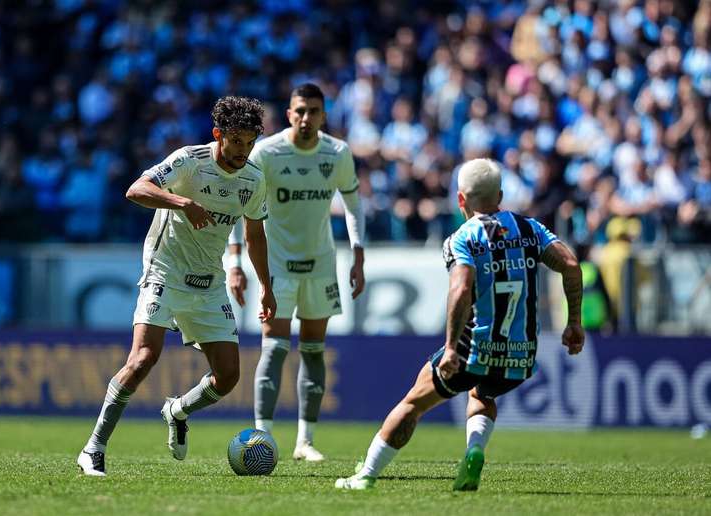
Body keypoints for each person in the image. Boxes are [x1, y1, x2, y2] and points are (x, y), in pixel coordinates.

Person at [335, 158, 584, 490]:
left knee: (413, 403)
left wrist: (451, 347)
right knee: (482, 395)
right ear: (500, 195)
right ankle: (474, 450)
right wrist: (574, 323)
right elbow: (570, 264)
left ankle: (365, 475)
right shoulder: (531, 229)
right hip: (521, 352)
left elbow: (461, 288)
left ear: (460, 200)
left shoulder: (462, 238)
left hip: (473, 347)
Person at [77, 96, 276, 476]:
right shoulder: (189, 160)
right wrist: (181, 202)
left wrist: (267, 286)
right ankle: (93, 448)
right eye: (236, 141)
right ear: (219, 134)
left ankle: (177, 410)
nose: (243, 150)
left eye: (250, 142)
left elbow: (255, 234)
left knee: (228, 377)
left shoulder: (253, 178)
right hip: (164, 271)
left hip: (209, 282)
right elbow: (135, 190)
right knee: (143, 358)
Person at [228, 83, 366, 462]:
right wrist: (236, 263)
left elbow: (353, 205)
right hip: (277, 268)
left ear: (324, 116)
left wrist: (358, 253)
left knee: (314, 353)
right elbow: (242, 204)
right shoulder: (267, 152)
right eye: (299, 111)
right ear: (289, 114)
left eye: (314, 111)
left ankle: (305, 441)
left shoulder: (336, 153)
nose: (306, 118)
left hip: (320, 265)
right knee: (273, 351)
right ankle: (262, 438)